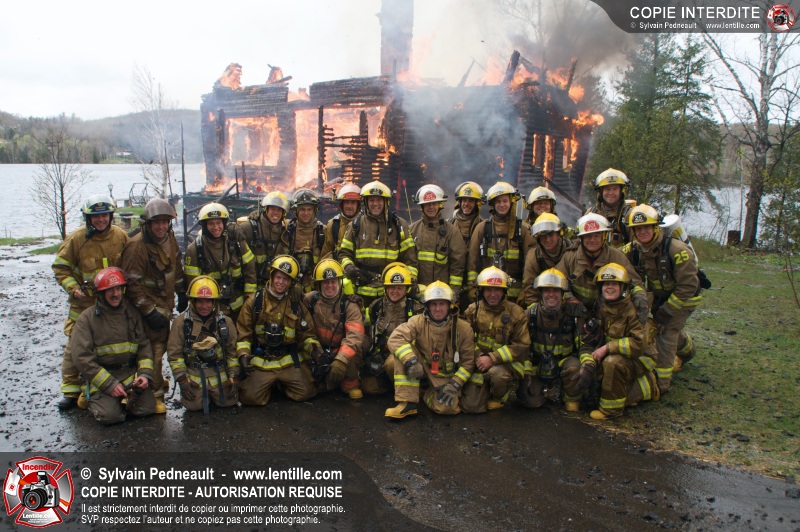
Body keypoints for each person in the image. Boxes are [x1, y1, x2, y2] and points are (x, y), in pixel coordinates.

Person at [52, 194, 129, 410]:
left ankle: (109, 383)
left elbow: (131, 264)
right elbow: (61, 267)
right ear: (88, 218)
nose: (101, 220)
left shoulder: (121, 236)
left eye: (104, 215)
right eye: (96, 216)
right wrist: (73, 288)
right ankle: (70, 390)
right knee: (75, 344)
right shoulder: (77, 239)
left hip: (114, 302)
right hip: (85, 303)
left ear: (111, 216)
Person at [625, 204, 701, 393]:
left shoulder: (678, 250)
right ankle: (687, 349)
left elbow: (688, 286)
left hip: (684, 297)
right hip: (661, 296)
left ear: (655, 227)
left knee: (665, 330)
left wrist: (668, 310)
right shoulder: (635, 248)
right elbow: (614, 253)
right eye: (638, 229)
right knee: (665, 326)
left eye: (646, 227)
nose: (642, 232)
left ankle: (661, 383)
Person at [69, 267, 155, 424]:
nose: (115, 294)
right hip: (103, 377)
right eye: (110, 290)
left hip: (128, 375)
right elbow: (82, 358)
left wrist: (144, 374)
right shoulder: (87, 319)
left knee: (147, 409)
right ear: (101, 293)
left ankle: (119, 401)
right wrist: (108, 384)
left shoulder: (132, 314)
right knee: (110, 417)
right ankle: (92, 398)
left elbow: (144, 347)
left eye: (118, 289)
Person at [121, 198, 184, 414]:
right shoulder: (136, 247)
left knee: (162, 346)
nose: (161, 226)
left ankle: (151, 381)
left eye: (165, 221)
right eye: (156, 222)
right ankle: (155, 394)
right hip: (146, 310)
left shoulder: (169, 239)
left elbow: (175, 267)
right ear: (147, 223)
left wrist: (181, 291)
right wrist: (148, 312)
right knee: (153, 351)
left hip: (164, 307)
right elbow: (132, 285)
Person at [577, 263, 659, 420]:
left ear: (623, 287)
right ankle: (643, 387)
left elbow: (638, 344)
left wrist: (607, 348)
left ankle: (610, 411)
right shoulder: (601, 306)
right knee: (598, 380)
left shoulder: (635, 309)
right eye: (606, 284)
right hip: (619, 355)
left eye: (614, 284)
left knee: (612, 363)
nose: (609, 287)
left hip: (641, 357)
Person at [384, 281, 475, 418]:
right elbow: (395, 338)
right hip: (422, 368)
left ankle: (425, 393)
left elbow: (468, 363)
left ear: (450, 305)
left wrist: (455, 384)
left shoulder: (464, 329)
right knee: (393, 360)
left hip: (445, 378)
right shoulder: (417, 321)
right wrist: (411, 361)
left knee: (447, 409)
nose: (438, 309)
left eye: (442, 304)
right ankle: (407, 403)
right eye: (434, 304)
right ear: (427, 305)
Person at [236, 255, 316, 406]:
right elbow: (244, 333)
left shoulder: (295, 303)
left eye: (285, 279)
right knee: (250, 398)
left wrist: (314, 350)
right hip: (262, 361)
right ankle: (269, 383)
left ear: (291, 282)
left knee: (307, 392)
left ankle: (280, 384)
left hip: (288, 360)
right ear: (271, 277)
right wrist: (243, 355)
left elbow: (307, 334)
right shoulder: (255, 301)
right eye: (278, 277)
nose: (281, 282)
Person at [461, 267, 529, 413]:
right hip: (479, 363)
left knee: (500, 376)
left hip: (505, 365)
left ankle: (500, 397)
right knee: (471, 406)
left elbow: (521, 346)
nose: (493, 295)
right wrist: (479, 356)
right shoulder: (472, 311)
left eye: (497, 290)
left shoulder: (516, 313)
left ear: (504, 291)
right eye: (488, 290)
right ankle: (485, 389)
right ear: (481, 291)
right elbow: (465, 340)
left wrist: (492, 358)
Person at [555, 213, 647, 322]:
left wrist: (639, 295)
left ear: (604, 236)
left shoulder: (617, 257)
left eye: (596, 235)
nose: (592, 240)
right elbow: (556, 282)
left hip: (609, 313)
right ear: (581, 238)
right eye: (588, 236)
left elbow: (635, 283)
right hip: (577, 313)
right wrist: (570, 299)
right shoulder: (570, 257)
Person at [339, 181, 418, 307]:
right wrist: (349, 267)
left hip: (391, 293)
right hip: (360, 294)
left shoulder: (399, 225)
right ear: (365, 202)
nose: (375, 204)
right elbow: (344, 253)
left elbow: (410, 259)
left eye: (379, 200)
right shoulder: (355, 225)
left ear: (386, 202)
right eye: (371, 200)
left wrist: (411, 279)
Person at [167, 276, 238, 413]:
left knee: (229, 402)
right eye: (200, 301)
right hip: (195, 375)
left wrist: (234, 376)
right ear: (193, 301)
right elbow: (174, 355)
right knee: (193, 406)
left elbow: (232, 352)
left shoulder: (225, 322)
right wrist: (182, 380)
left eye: (208, 301)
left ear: (214, 302)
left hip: (219, 373)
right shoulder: (181, 323)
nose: (204, 306)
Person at [519, 269, 585, 412]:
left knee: (574, 367)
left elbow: (583, 346)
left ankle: (571, 398)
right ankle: (547, 391)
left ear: (562, 294)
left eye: (555, 291)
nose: (551, 295)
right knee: (530, 402)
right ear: (541, 293)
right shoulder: (530, 314)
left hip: (563, 363)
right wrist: (527, 372)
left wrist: (587, 367)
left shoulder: (572, 315)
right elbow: (522, 347)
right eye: (547, 291)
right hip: (539, 365)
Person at [304, 259, 366, 399]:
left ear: (339, 282)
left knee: (352, 352)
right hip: (320, 351)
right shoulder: (311, 299)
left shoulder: (350, 305)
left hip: (340, 350)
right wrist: (293, 290)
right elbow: (290, 302)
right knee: (313, 387)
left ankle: (351, 383)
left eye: (333, 281)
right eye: (325, 282)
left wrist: (341, 360)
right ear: (319, 284)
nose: (330, 285)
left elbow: (354, 337)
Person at [184, 202, 257, 321]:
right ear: (204, 225)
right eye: (211, 223)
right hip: (211, 309)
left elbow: (250, 271)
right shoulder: (194, 250)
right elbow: (193, 284)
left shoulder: (237, 242)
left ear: (224, 223)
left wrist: (250, 299)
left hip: (239, 306)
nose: (216, 227)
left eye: (218, 223)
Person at [468, 182, 535, 305]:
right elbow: (472, 261)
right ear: (493, 204)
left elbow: (531, 265)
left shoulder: (523, 230)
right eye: (498, 201)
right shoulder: (482, 228)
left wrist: (526, 291)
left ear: (511, 202)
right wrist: (472, 287)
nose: (502, 205)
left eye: (505, 201)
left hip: (514, 298)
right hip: (487, 295)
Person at [363, 262, 423, 395]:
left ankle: (409, 390)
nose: (395, 291)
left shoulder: (415, 308)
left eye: (399, 288)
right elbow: (367, 324)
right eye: (392, 287)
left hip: (404, 354)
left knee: (392, 364)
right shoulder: (376, 306)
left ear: (407, 289)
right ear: (386, 288)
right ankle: (392, 384)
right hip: (382, 353)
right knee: (368, 387)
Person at [409, 184, 466, 299]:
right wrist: (411, 288)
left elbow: (457, 266)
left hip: (442, 295)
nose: (431, 207)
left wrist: (453, 292)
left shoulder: (452, 232)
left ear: (440, 204)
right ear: (422, 206)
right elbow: (408, 261)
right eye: (427, 204)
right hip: (418, 294)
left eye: (434, 203)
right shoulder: (412, 230)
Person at [521, 213, 578, 308]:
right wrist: (535, 311)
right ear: (538, 238)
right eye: (543, 236)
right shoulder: (533, 256)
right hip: (546, 303)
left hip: (571, 302)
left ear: (559, 234)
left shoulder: (572, 252)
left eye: (551, 235)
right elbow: (530, 289)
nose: (547, 240)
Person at [238, 191, 290, 287]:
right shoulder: (250, 228)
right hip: (253, 283)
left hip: (277, 286)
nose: (276, 212)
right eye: (272, 209)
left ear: (283, 213)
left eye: (279, 209)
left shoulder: (286, 231)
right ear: (266, 209)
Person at [448, 181, 485, 310]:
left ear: (477, 204)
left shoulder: (483, 226)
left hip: (474, 284)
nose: (466, 204)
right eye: (464, 200)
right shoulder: (450, 224)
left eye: (470, 200)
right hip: (453, 281)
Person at [286, 188, 326, 293]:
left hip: (316, 284)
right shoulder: (288, 227)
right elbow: (271, 223)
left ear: (315, 211)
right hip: (292, 284)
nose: (306, 213)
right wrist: (257, 216)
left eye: (309, 209)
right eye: (302, 209)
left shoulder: (323, 230)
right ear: (296, 211)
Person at [585, 168, 632, 248]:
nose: (611, 193)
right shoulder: (591, 213)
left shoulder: (629, 214)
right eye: (607, 189)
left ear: (621, 191)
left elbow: (638, 245)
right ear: (601, 192)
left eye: (615, 189)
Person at [320, 183, 361, 261]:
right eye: (347, 202)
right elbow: (325, 254)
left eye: (353, 202)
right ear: (341, 204)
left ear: (358, 205)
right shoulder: (333, 224)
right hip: (338, 266)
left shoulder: (364, 224)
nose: (349, 206)